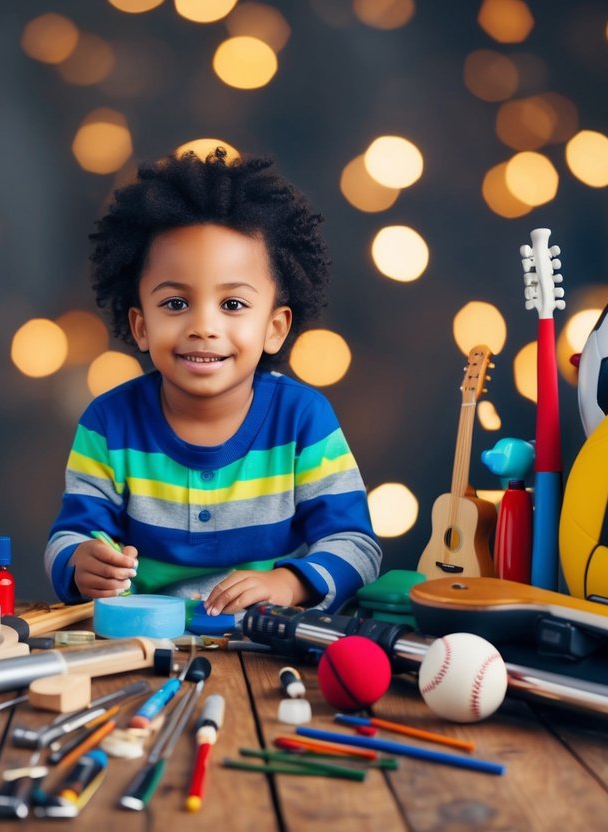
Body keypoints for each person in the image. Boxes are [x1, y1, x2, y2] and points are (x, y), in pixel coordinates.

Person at [44, 149, 381, 615]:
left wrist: (287, 583)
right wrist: (81, 562)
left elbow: (358, 547)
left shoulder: (303, 420)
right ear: (140, 325)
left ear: (275, 327)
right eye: (176, 304)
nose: (204, 326)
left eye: (234, 305)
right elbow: (71, 536)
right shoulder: (108, 423)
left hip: (267, 648)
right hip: (143, 645)